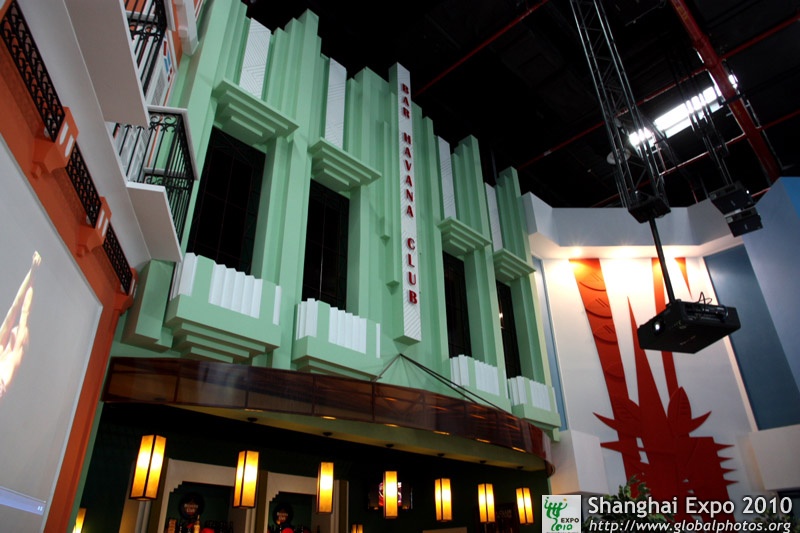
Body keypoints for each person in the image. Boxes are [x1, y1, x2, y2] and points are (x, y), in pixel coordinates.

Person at [0, 251, 40, 399]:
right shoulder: (5, 351)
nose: (15, 328)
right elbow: (16, 308)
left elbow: (24, 311)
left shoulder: (11, 364)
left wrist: (33, 271)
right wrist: (32, 272)